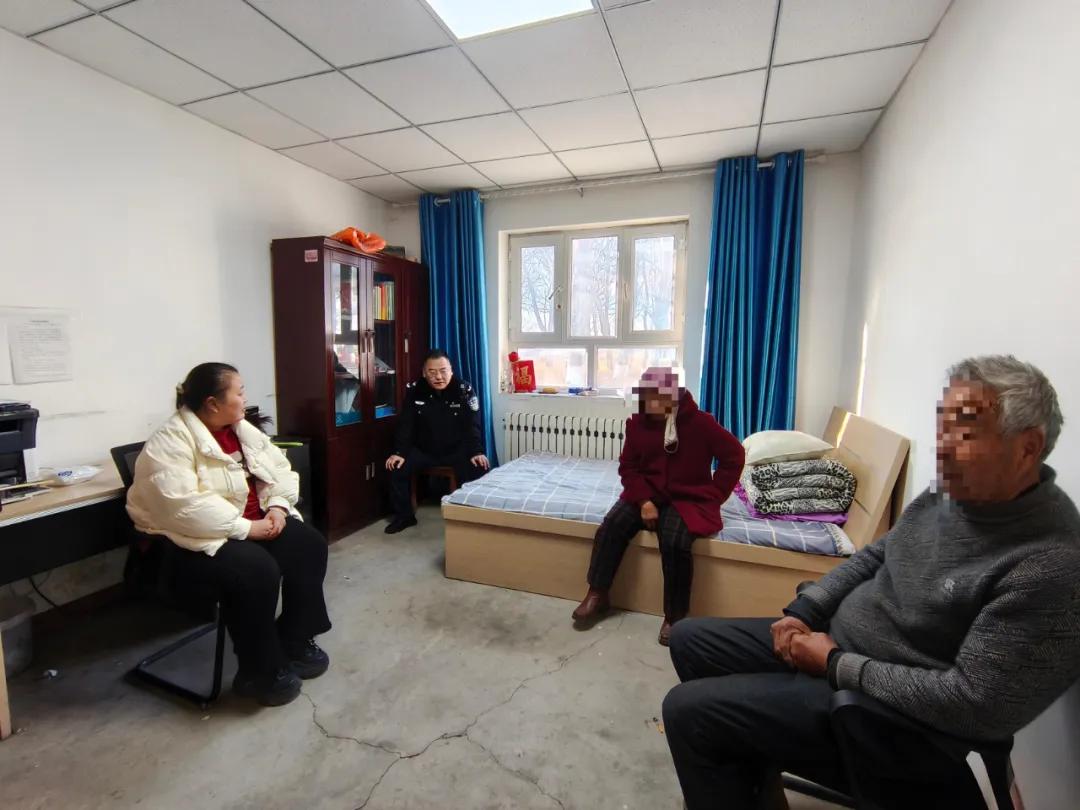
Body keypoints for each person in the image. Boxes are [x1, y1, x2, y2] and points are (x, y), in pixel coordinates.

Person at [662, 355, 1080, 809]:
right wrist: (805, 611)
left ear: (1027, 448)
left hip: (881, 716)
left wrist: (835, 663)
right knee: (689, 639)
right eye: (942, 425)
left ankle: (739, 747)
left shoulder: (1049, 565)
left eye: (964, 432)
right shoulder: (956, 492)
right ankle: (750, 777)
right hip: (839, 647)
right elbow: (878, 553)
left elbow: (973, 705)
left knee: (688, 712)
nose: (942, 447)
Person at [127, 363, 332, 707]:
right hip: (194, 537)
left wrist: (278, 507)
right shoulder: (170, 441)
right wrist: (246, 528)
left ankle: (294, 638)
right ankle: (258, 670)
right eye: (239, 392)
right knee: (256, 571)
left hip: (253, 522)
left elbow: (280, 468)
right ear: (212, 403)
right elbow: (183, 506)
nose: (245, 398)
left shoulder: (241, 429)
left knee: (308, 546)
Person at [571, 367, 745, 646]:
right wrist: (644, 501)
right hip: (646, 493)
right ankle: (598, 593)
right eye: (645, 397)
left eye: (656, 398)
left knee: (675, 541)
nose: (649, 405)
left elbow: (734, 455)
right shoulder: (638, 424)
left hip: (687, 497)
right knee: (612, 526)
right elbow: (628, 467)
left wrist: (715, 494)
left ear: (673, 396)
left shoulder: (700, 423)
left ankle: (675, 616)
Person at [384, 350, 490, 534]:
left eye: (443, 371)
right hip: (424, 450)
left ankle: (471, 518)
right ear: (424, 373)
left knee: (479, 466)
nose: (438, 377)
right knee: (396, 467)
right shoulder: (415, 390)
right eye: (432, 372)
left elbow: (472, 425)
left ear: (451, 370)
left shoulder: (464, 390)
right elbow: (406, 425)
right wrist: (399, 453)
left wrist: (476, 451)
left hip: (456, 450)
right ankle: (404, 517)